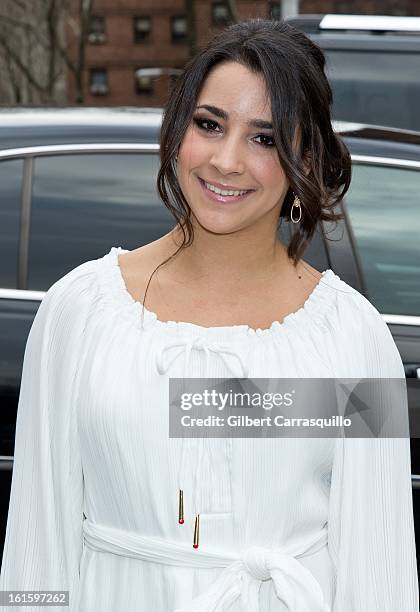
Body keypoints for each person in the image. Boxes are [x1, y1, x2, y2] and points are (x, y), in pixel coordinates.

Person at [0, 17, 418, 612]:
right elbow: (33, 542)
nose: (227, 161)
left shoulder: (352, 337)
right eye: (209, 124)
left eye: (266, 138)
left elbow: (382, 564)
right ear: (176, 133)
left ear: (306, 157)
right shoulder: (80, 312)